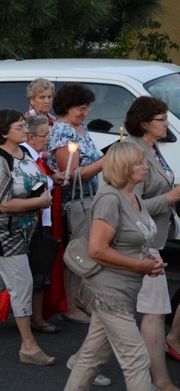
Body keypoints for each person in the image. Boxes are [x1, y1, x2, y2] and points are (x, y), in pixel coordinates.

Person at [64, 143, 165, 391]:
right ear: (123, 168)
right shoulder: (110, 198)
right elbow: (97, 249)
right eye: (140, 163)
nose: (146, 167)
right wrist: (140, 266)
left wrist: (149, 261)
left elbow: (133, 239)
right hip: (109, 292)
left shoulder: (134, 193)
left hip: (124, 289)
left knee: (92, 357)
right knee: (137, 358)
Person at [0, 110, 55, 365]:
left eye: (24, 125)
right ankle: (28, 348)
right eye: (19, 127)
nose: (25, 130)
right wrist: (39, 201)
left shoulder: (23, 153)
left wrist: (39, 193)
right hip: (5, 231)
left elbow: (29, 185)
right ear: (3, 133)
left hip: (24, 229)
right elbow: (1, 204)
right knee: (22, 285)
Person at [124, 96, 180, 391]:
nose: (166, 123)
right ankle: (159, 380)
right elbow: (131, 202)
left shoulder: (151, 147)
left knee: (113, 316)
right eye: (161, 119)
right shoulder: (135, 152)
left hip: (155, 236)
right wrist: (170, 198)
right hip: (141, 242)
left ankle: (83, 363)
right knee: (154, 311)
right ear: (145, 123)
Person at [48, 83, 104, 324]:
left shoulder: (80, 128)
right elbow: (71, 174)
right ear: (67, 108)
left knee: (85, 250)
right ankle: (68, 304)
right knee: (72, 253)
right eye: (81, 109)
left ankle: (77, 298)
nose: (86, 113)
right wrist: (106, 162)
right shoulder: (63, 133)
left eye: (88, 108)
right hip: (72, 203)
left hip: (88, 199)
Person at [21, 115, 66, 332]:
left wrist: (52, 179)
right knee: (20, 274)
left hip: (41, 220)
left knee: (40, 269)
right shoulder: (24, 159)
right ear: (30, 137)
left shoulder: (37, 158)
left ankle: (36, 317)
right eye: (45, 135)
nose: (49, 139)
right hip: (29, 221)